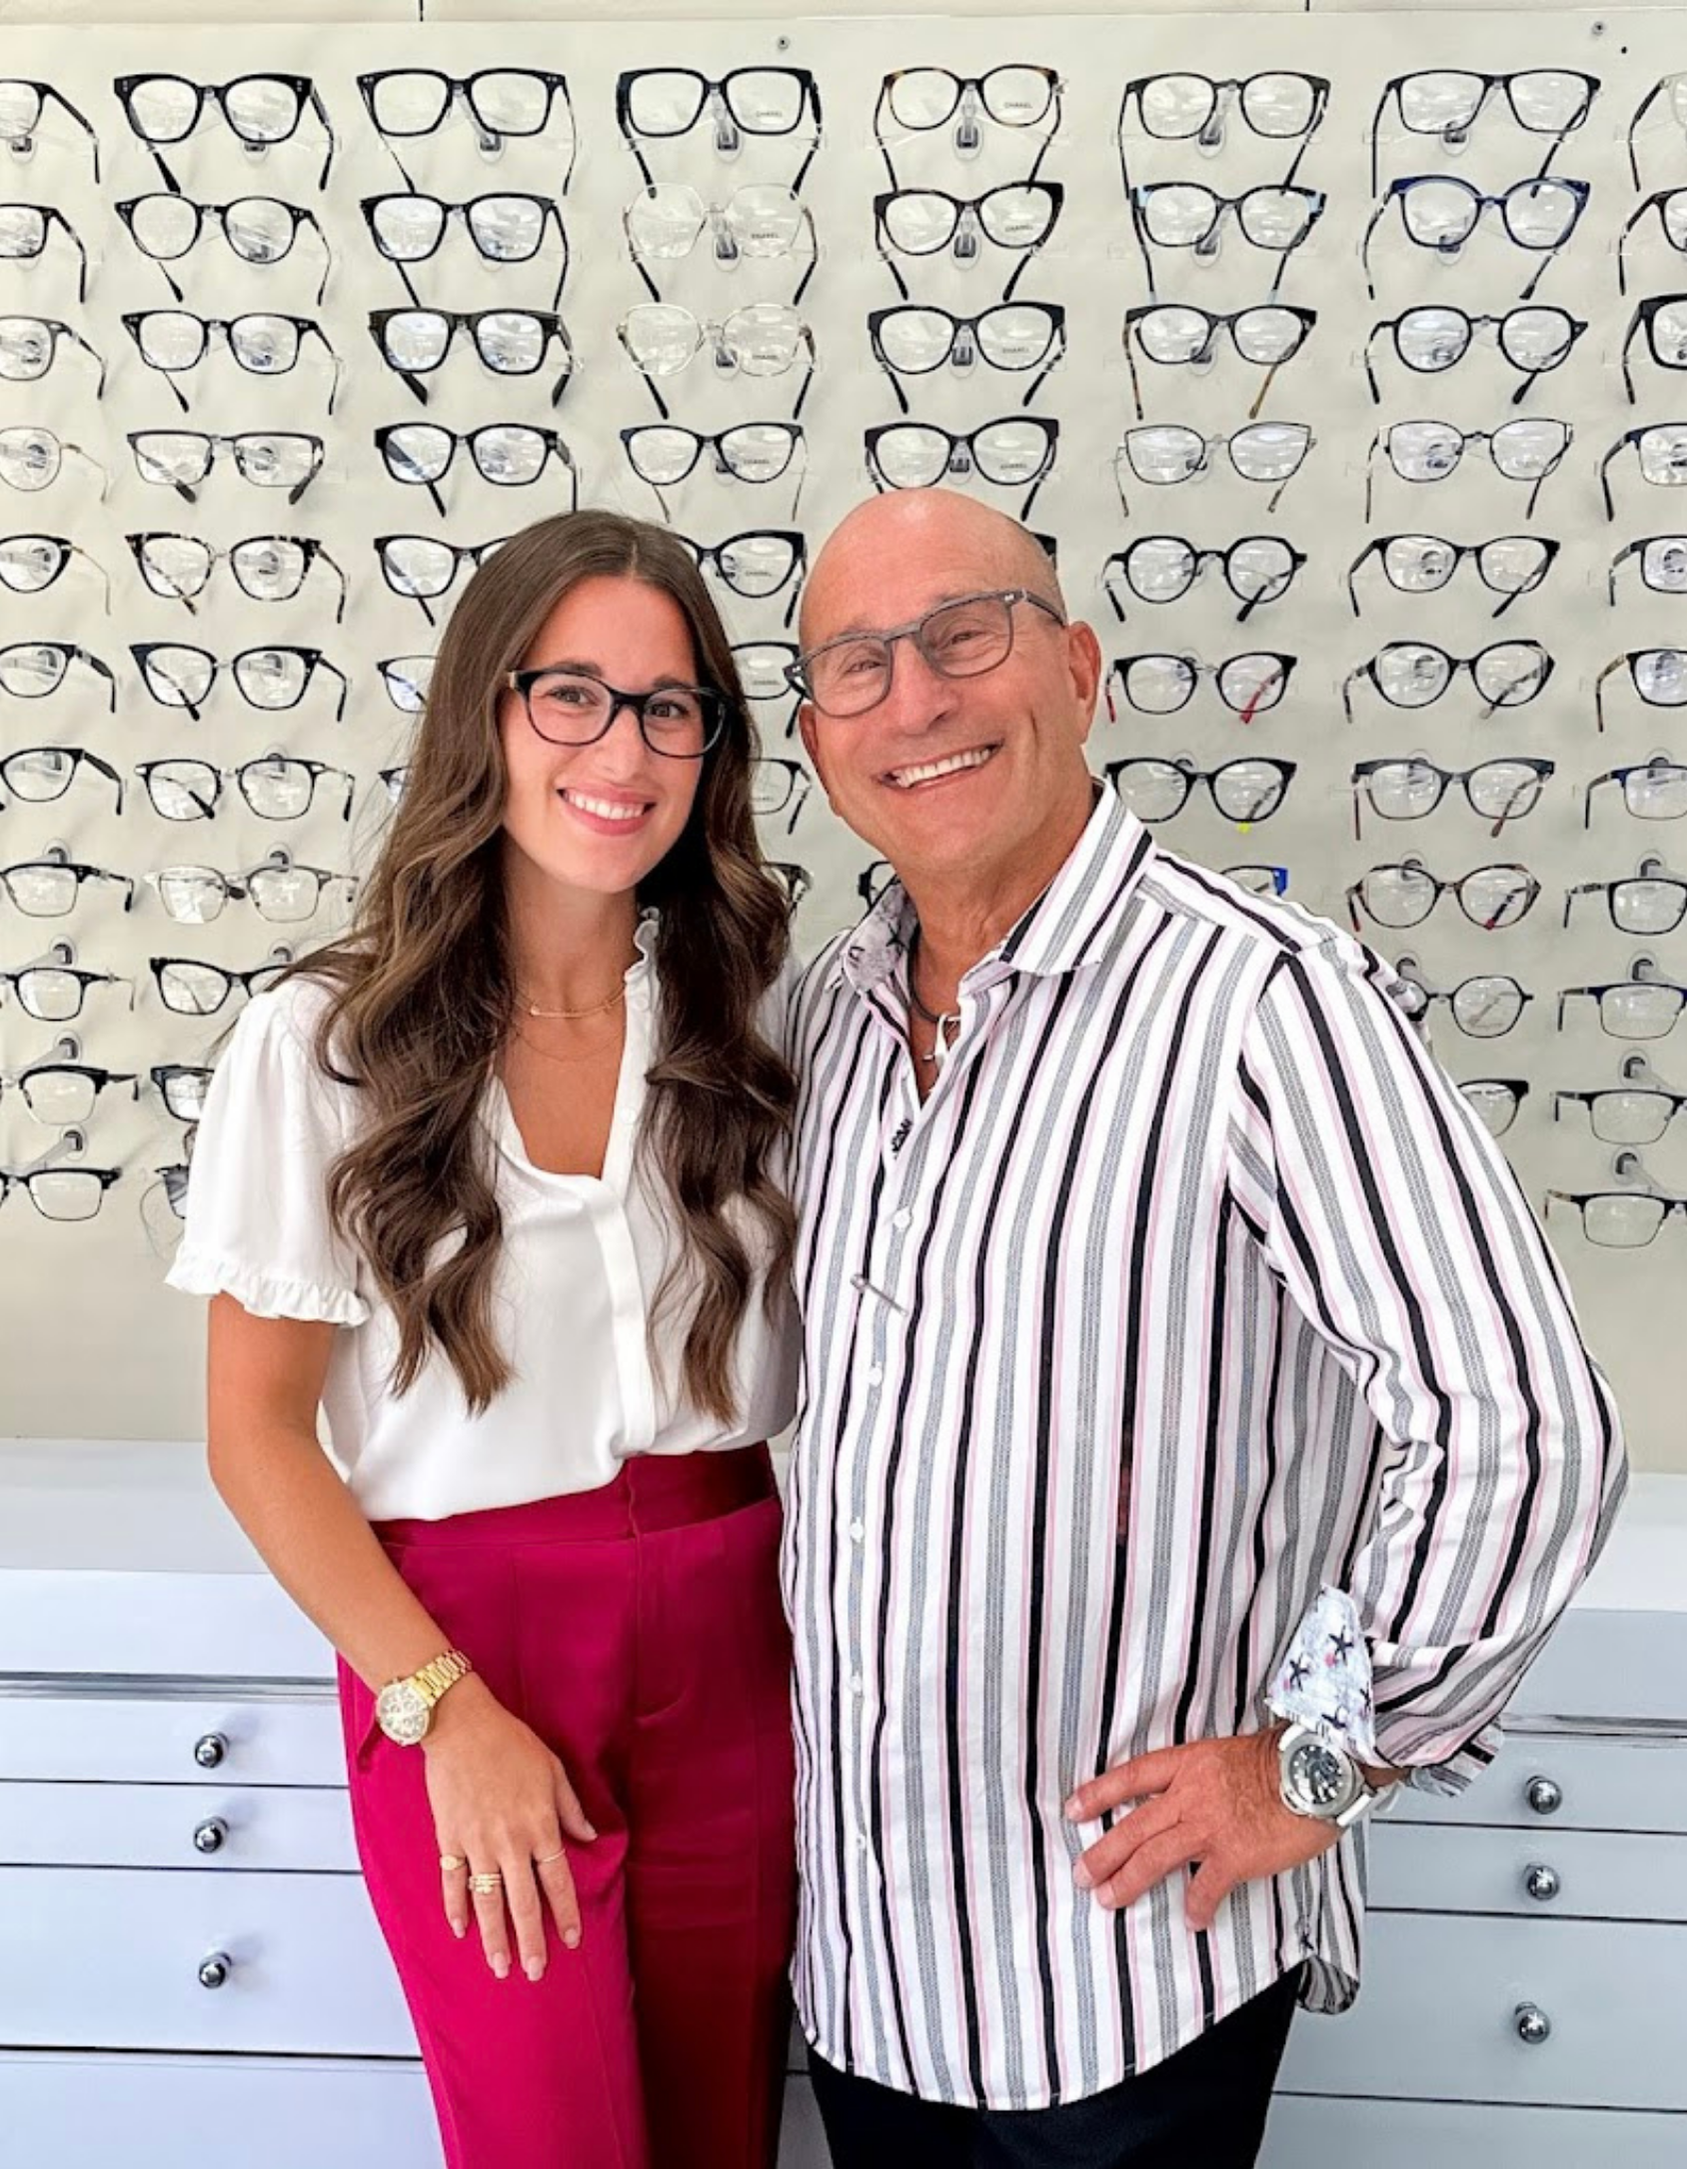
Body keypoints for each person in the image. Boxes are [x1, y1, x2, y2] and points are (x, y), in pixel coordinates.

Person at [779, 487, 1627, 2169]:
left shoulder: (1264, 1001)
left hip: (1116, 1974)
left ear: (1077, 667)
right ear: (814, 738)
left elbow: (1518, 1423)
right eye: (857, 665)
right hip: (866, 1961)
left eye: (965, 634)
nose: (917, 698)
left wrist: (1320, 1760)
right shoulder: (825, 1017)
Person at [167, 510, 802, 2170]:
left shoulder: (753, 1022)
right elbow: (254, 1435)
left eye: (673, 707)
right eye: (572, 694)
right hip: (467, 1646)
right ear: (484, 713)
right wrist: (440, 1710)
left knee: (717, 2134)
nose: (625, 748)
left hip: (746, 1632)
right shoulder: (325, 1043)